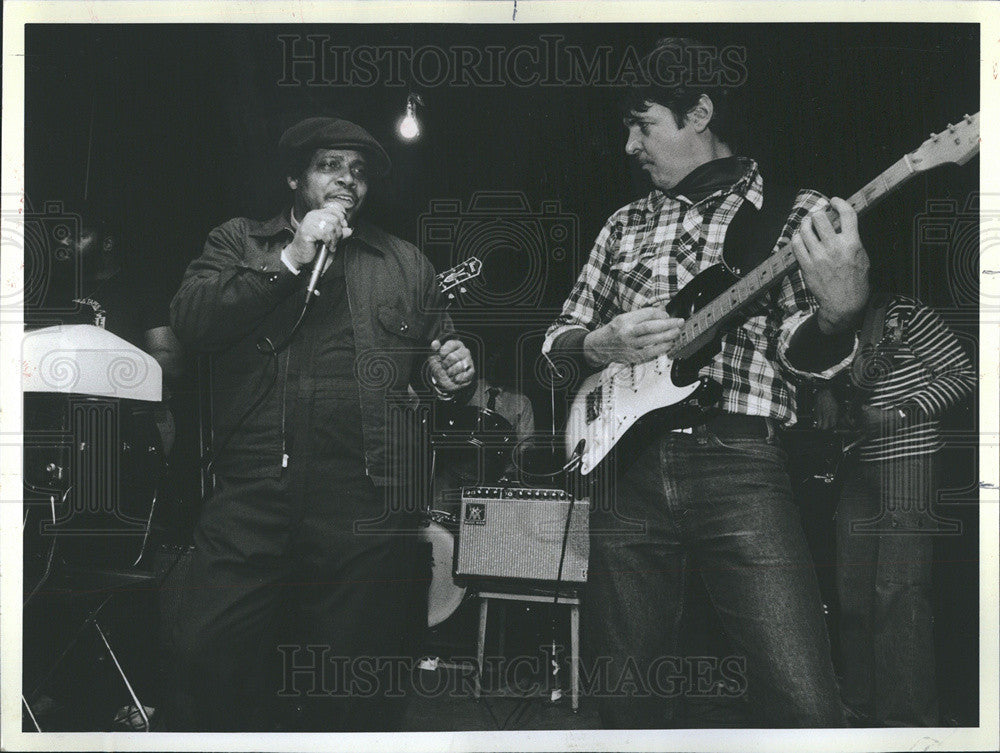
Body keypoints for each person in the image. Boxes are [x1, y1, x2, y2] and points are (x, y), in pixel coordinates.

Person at [542, 37, 872, 728]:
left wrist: (839, 320)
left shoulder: (795, 212)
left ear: (699, 111)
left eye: (643, 123)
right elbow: (556, 342)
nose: (629, 144)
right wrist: (598, 341)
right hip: (624, 469)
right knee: (624, 699)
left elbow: (798, 357)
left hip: (740, 462)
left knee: (805, 700)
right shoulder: (623, 222)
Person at [167, 117, 476, 731]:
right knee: (204, 651)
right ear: (294, 178)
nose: (347, 180)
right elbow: (193, 322)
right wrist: (292, 256)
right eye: (331, 166)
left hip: (361, 497)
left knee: (355, 682)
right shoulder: (238, 241)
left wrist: (447, 376)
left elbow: (432, 374)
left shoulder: (404, 263)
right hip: (253, 489)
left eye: (359, 172)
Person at [813, 287, 974, 726]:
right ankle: (861, 707)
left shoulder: (905, 312)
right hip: (860, 464)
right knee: (852, 592)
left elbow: (963, 376)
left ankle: (907, 722)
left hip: (911, 460)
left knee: (899, 593)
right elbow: (842, 382)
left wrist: (900, 414)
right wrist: (828, 394)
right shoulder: (835, 320)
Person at [26, 204, 183, 454]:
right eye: (63, 235)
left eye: (79, 236)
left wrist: (105, 371)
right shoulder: (52, 294)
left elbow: (170, 360)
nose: (65, 242)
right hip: (58, 425)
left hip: (126, 424)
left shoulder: (140, 289)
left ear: (107, 244)